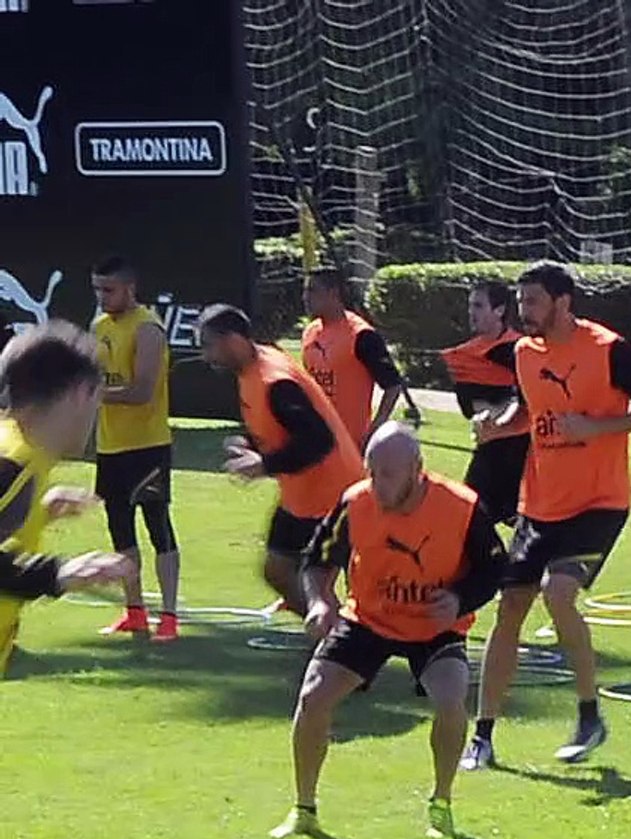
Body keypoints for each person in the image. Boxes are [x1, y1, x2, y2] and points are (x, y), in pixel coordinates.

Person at [464, 261, 631, 769]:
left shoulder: (607, 349)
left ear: (563, 302)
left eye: (533, 301)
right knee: (510, 606)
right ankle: (483, 737)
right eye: (520, 302)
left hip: (599, 502)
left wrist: (597, 428)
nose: (523, 311)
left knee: (559, 594)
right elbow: (527, 408)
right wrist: (498, 426)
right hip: (540, 504)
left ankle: (588, 714)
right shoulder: (523, 352)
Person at [269, 422, 505, 839]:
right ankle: (304, 808)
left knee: (451, 700)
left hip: (436, 625)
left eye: (388, 474)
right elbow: (317, 560)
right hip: (370, 619)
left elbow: (494, 568)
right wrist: (321, 600)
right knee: (312, 697)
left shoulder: (462, 507)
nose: (377, 484)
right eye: (371, 471)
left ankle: (441, 803)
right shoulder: (355, 502)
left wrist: (459, 598)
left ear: (418, 468)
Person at [197, 305, 365, 611]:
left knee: (308, 578)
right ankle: (332, 631)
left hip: (329, 497)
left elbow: (318, 440)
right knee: (279, 572)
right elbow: (282, 427)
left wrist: (265, 464)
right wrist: (251, 443)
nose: (206, 356)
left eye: (209, 345)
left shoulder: (276, 381)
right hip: (301, 495)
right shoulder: (253, 367)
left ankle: (336, 638)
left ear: (233, 340)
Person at [0, 323, 134, 676]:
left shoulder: (22, 454)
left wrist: (37, 515)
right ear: (80, 394)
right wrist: (54, 574)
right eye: (98, 398)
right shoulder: (14, 464)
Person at [88, 255, 181, 641]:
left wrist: (93, 395)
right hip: (111, 447)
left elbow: (142, 392)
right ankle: (135, 612)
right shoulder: (99, 326)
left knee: (157, 527)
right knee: (119, 529)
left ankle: (170, 618)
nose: (102, 297)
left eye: (108, 290)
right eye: (96, 289)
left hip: (148, 446)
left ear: (130, 288)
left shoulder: (148, 329)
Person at [441, 282, 527, 526]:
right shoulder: (466, 356)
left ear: (499, 310)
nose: (472, 312)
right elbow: (471, 407)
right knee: (469, 519)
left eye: (478, 306)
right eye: (470, 305)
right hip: (490, 450)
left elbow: (528, 400)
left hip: (524, 453)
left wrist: (503, 414)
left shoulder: (522, 350)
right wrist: (498, 412)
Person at [300, 267, 405, 448]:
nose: (305, 298)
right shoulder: (311, 331)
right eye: (305, 291)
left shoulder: (361, 335)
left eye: (312, 291)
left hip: (348, 445)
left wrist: (374, 431)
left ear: (333, 293)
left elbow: (393, 386)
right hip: (313, 441)